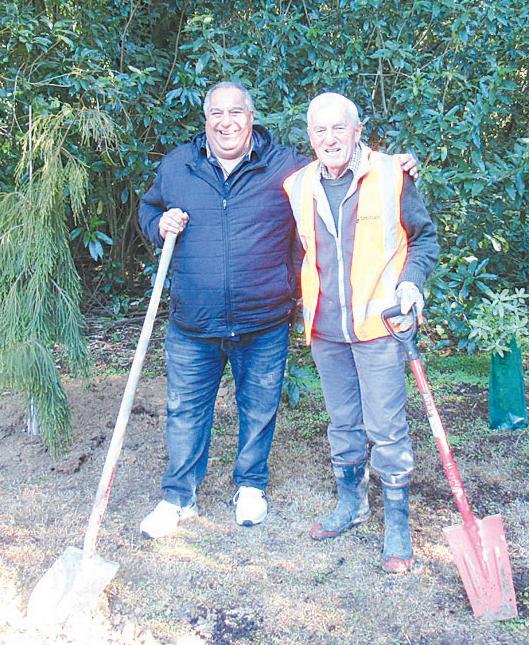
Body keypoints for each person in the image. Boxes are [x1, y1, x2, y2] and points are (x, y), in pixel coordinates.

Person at [138, 81, 419, 538]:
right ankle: (178, 496)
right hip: (194, 321)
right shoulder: (178, 166)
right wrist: (158, 223)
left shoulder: (286, 168)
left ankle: (251, 486)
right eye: (216, 114)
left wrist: (402, 166)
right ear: (205, 120)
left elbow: (343, 168)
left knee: (259, 409)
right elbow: (149, 210)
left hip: (264, 318)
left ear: (251, 117)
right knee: (184, 411)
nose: (226, 122)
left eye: (236, 112)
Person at [284, 92, 439, 573]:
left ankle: (397, 522)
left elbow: (424, 238)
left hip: (380, 327)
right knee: (342, 422)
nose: (330, 138)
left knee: (386, 428)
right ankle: (351, 504)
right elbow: (298, 252)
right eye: (320, 130)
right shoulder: (298, 185)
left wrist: (411, 284)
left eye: (339, 128)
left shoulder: (392, 174)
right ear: (310, 136)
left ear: (357, 131)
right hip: (326, 330)